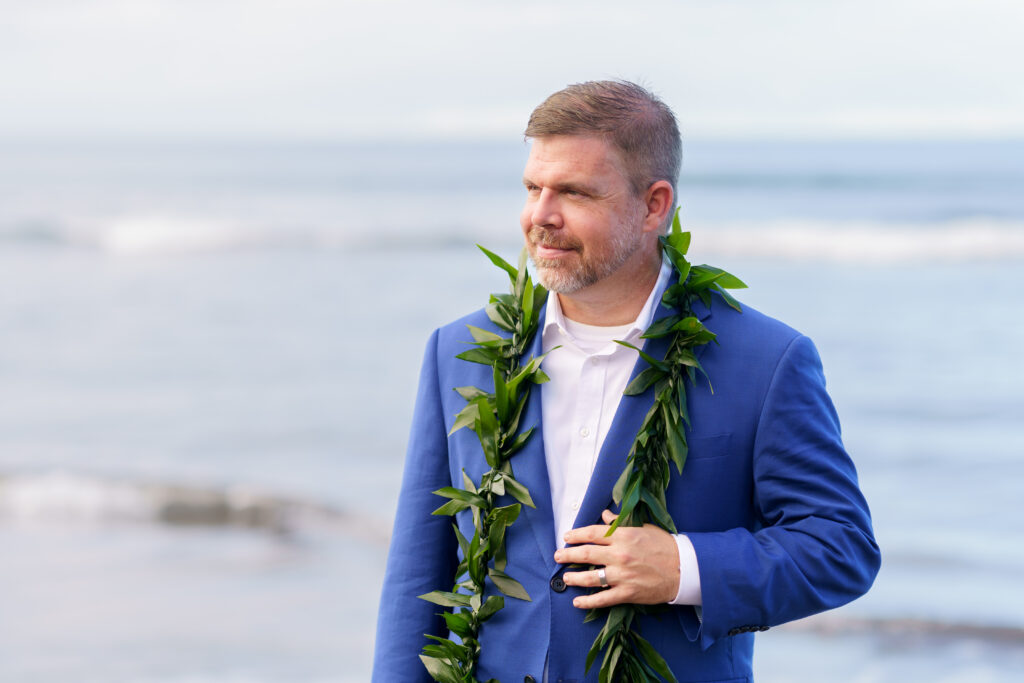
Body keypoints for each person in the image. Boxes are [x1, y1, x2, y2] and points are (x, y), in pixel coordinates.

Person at [373, 80, 880, 682]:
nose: (540, 216)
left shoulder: (767, 360)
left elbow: (840, 547)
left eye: (575, 192)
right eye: (533, 188)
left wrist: (684, 567)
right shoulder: (459, 352)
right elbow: (416, 578)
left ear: (654, 205)